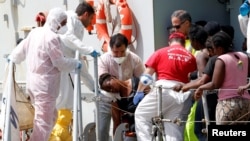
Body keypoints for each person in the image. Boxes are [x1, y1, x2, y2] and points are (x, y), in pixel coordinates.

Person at [8, 7, 81, 141]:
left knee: (51, 116)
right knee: (43, 124)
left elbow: (22, 49)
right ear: (57, 21)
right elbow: (59, 62)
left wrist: (13, 57)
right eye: (63, 23)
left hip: (33, 84)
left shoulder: (35, 32)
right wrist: (75, 63)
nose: (64, 26)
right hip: (45, 88)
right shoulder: (52, 38)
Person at [49, 2, 100, 140]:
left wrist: (95, 89)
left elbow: (77, 58)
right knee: (62, 100)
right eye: (90, 19)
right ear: (86, 14)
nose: (90, 23)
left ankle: (97, 90)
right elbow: (68, 37)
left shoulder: (78, 25)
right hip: (59, 62)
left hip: (68, 60)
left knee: (67, 99)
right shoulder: (70, 18)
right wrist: (88, 49)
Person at [134, 32, 197, 141]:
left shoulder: (161, 52)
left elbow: (146, 76)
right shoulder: (191, 57)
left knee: (141, 115)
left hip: (164, 90)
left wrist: (139, 91)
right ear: (183, 43)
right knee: (174, 129)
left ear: (169, 42)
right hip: (183, 93)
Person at [194, 31, 250, 125]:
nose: (213, 52)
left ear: (220, 48)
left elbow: (215, 84)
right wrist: (247, 86)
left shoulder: (221, 59)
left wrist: (200, 88)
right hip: (246, 103)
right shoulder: (244, 57)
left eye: (214, 48)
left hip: (227, 104)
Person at [98, 33, 145, 140]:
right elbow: (104, 82)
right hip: (107, 97)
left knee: (129, 129)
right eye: (115, 52)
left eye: (122, 52)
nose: (119, 55)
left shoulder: (134, 59)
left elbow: (142, 80)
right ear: (110, 48)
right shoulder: (103, 59)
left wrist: (139, 92)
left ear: (127, 48)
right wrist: (114, 99)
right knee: (102, 129)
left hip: (128, 98)